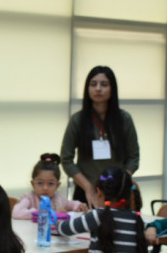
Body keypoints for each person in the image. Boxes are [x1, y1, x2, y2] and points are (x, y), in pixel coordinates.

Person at [60, 66, 140, 209]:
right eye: (93, 84)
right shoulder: (77, 120)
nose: (98, 89)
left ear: (112, 88)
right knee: (85, 230)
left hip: (118, 193)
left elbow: (133, 157)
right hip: (86, 191)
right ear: (87, 88)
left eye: (104, 84)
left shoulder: (124, 119)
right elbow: (66, 158)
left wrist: (122, 181)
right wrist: (88, 187)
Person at [11, 152, 86, 220]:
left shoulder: (59, 198)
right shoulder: (29, 198)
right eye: (40, 183)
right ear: (33, 184)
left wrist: (79, 206)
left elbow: (70, 204)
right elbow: (16, 213)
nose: (45, 188)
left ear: (57, 185)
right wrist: (46, 213)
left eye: (51, 183)